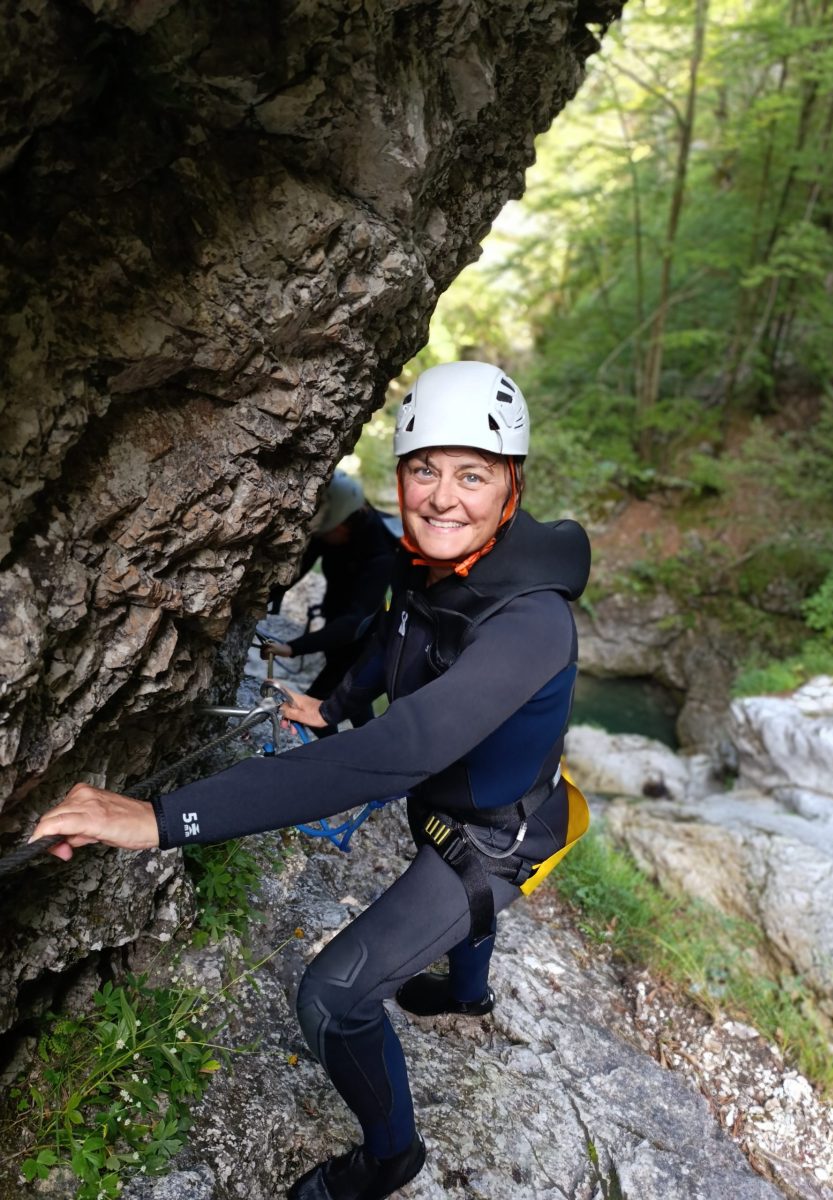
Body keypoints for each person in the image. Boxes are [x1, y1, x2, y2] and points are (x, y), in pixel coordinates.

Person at [30, 360, 592, 1200]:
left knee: (333, 997)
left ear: (512, 483)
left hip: (496, 837)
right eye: (423, 469)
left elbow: (405, 746)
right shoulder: (423, 564)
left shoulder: (533, 621)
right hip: (453, 803)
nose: (442, 497)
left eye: (471, 474)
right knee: (455, 910)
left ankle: (390, 1159)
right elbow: (390, 644)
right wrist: (333, 708)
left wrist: (161, 818)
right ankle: (468, 995)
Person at [262, 471, 398, 727]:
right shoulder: (335, 530)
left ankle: (347, 750)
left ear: (342, 525)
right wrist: (261, 600)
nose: (320, 537)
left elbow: (354, 623)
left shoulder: (381, 555)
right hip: (336, 632)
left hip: (362, 642)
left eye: (324, 532)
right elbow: (295, 572)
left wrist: (292, 648)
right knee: (357, 710)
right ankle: (365, 748)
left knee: (313, 711)